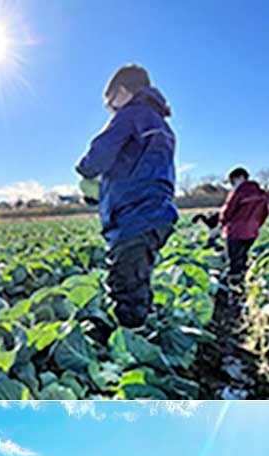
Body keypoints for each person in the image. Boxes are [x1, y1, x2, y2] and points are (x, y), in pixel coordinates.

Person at [76, 64, 179, 329]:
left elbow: (101, 153)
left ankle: (132, 344)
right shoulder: (162, 126)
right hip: (158, 214)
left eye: (111, 103)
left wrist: (85, 170)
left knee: (125, 287)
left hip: (134, 215)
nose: (111, 109)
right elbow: (137, 168)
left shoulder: (130, 115)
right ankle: (143, 327)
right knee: (138, 279)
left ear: (122, 92)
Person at [219, 167, 268, 284]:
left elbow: (227, 212)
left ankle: (234, 289)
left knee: (234, 261)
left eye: (232, 181)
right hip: (252, 232)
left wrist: (222, 222)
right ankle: (244, 282)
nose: (232, 184)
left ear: (240, 178)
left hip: (235, 231)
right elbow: (265, 213)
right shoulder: (262, 194)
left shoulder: (238, 192)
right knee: (243, 257)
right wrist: (256, 225)